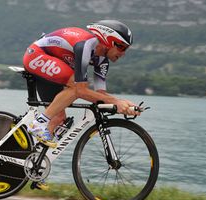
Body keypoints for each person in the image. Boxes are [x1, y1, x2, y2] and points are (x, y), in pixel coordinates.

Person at [23, 20, 140, 190]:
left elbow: (100, 96)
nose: (123, 53)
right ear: (108, 40)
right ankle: (38, 122)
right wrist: (115, 102)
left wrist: (124, 104)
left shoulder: (102, 60)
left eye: (126, 49)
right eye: (121, 46)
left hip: (57, 63)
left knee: (60, 118)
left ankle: (36, 166)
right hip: (36, 55)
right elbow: (80, 90)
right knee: (75, 87)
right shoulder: (85, 46)